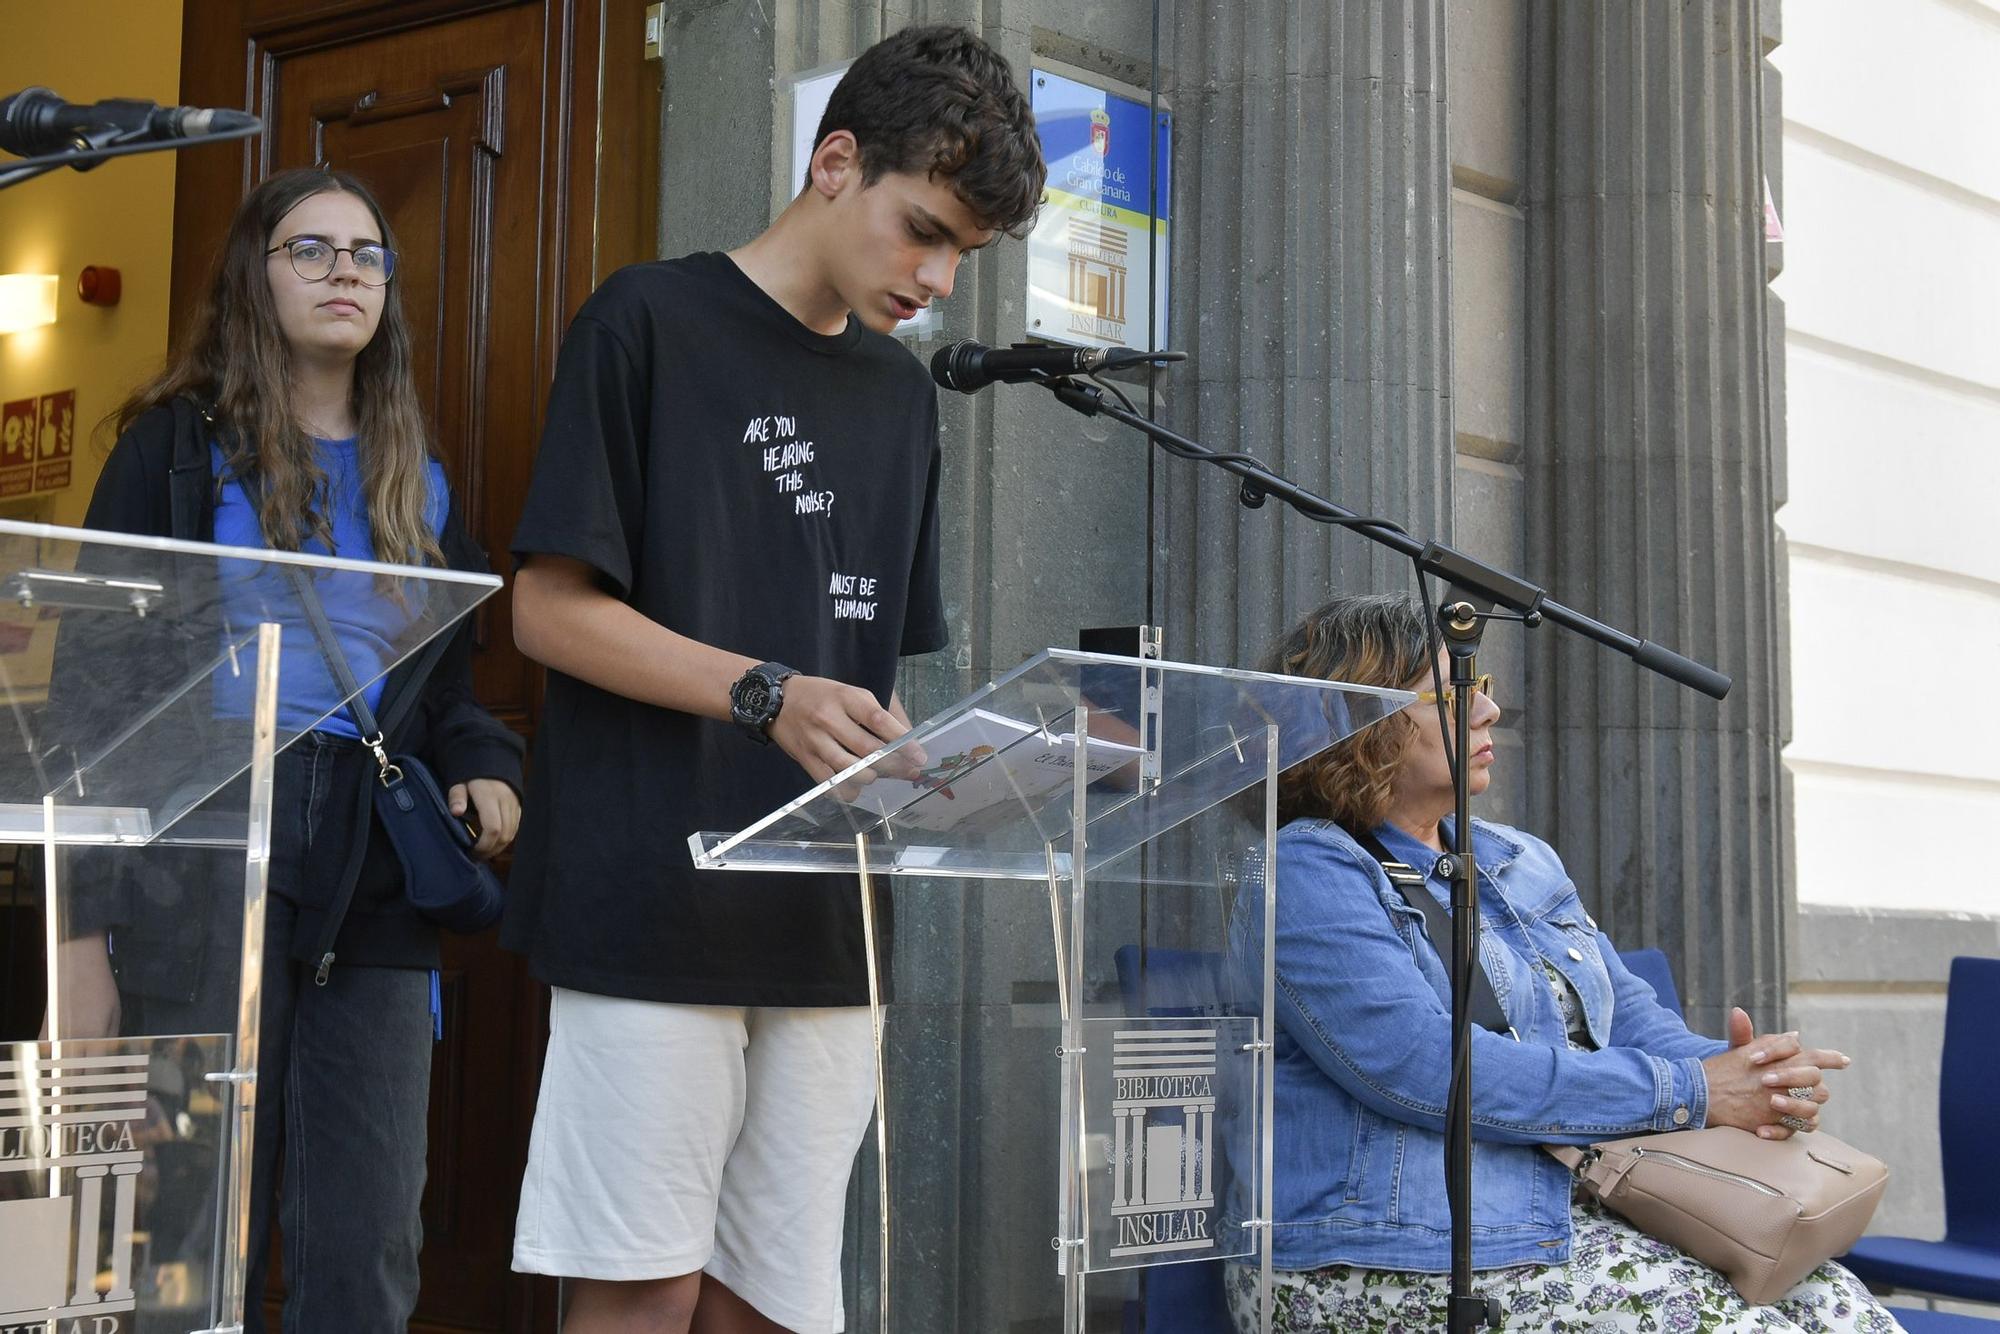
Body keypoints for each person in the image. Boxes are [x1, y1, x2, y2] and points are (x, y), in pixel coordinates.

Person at [501, 24, 1044, 1334]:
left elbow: (857, 661)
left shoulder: (902, 399)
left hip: (828, 921)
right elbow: (545, 611)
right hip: (648, 890)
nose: (938, 278)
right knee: (641, 1286)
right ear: (835, 160)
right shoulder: (646, 319)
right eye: (923, 229)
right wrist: (768, 692)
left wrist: (933, 757)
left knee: (775, 1302)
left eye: (963, 254)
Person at [65, 165, 524, 1332]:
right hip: (204, 847)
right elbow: (89, 698)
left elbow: (445, 689)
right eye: (310, 250)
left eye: (367, 254)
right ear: (252, 277)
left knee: (368, 1243)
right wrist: (78, 940)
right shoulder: (171, 450)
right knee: (172, 1242)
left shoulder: (415, 477)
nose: (344, 273)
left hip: (373, 861)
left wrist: (489, 762)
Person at [1227, 593, 1899, 1333]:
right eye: (1452, 694)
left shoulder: (1518, 858)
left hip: (1562, 1216)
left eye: (1479, 689)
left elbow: (1632, 1017)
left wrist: (1753, 1076)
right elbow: (1423, 1070)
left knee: (1845, 1312)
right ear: (1359, 725)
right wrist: (1696, 1091)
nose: (1488, 713)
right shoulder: (1306, 869)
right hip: (1374, 1253)